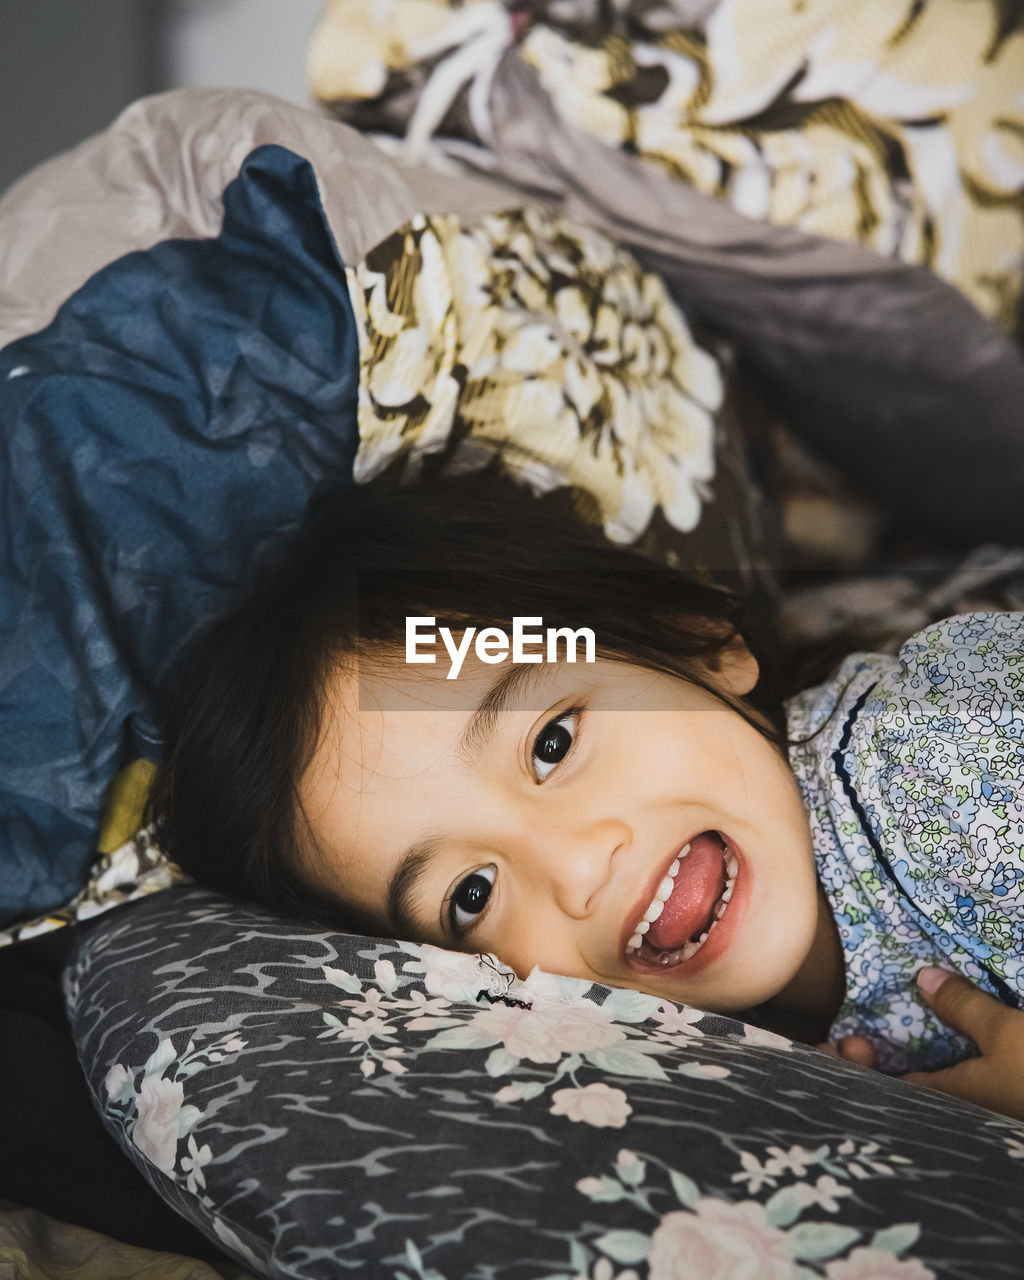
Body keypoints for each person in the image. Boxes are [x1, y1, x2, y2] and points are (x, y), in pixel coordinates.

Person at [147, 465, 1024, 1120]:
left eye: (553, 743)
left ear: (695, 643)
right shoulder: (741, 1068)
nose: (575, 866)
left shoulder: (937, 758)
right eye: (471, 894)